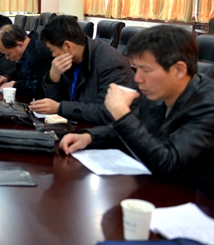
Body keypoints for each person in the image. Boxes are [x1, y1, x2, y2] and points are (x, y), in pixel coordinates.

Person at [60, 26, 214, 194]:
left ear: (179, 70)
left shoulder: (208, 105)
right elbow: (132, 130)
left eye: (146, 70)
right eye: (137, 68)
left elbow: (168, 163)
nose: (137, 78)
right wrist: (89, 137)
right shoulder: (157, 92)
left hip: (196, 198)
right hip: (158, 188)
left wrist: (122, 114)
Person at [32, 15, 136, 125]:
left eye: (52, 50)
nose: (53, 55)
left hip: (105, 131)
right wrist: (53, 77)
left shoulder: (110, 62)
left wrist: (60, 108)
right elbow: (55, 102)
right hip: (76, 124)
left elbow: (108, 112)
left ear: (68, 46)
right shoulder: (70, 61)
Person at [0, 24, 53, 99]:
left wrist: (15, 85)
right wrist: (7, 77)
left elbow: (38, 87)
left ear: (20, 45)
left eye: (8, 54)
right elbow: (23, 70)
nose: (7, 58)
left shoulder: (41, 53)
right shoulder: (29, 46)